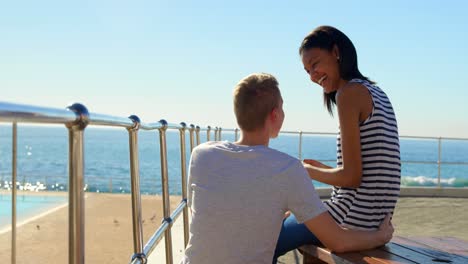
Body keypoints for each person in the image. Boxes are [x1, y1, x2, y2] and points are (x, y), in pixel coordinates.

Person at [181, 73, 393, 264]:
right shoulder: (288, 168)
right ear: (274, 115)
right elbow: (338, 241)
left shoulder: (201, 154)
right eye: (282, 107)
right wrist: (380, 236)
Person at [274, 25, 401, 261]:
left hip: (350, 218)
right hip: (372, 219)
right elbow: (369, 171)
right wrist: (323, 169)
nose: (312, 76)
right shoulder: (375, 91)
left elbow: (352, 177)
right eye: (307, 71)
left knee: (262, 239)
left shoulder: (349, 93)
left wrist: (307, 171)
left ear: (336, 52)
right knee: (285, 218)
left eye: (315, 64)